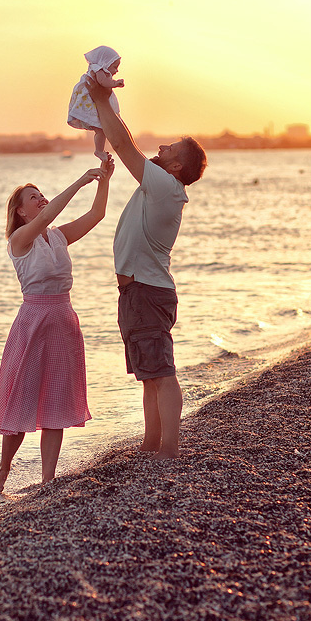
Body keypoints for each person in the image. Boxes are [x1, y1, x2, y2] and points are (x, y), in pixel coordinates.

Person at [84, 74, 207, 459]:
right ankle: (151, 445)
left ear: (174, 166)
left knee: (162, 373)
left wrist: (100, 97)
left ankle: (168, 447)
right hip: (139, 291)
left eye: (171, 147)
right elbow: (126, 139)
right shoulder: (162, 186)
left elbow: (123, 144)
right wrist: (105, 107)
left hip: (146, 291)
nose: (162, 145)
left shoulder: (166, 187)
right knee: (150, 376)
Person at [0, 157, 115, 494]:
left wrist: (104, 179)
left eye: (42, 193)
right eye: (34, 197)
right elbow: (47, 215)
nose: (42, 198)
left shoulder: (57, 237)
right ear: (21, 212)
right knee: (22, 398)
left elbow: (96, 216)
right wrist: (79, 181)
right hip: (33, 322)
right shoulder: (20, 240)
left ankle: (47, 480)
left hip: (63, 320)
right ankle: (3, 471)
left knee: (56, 403)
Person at [68, 45, 125, 162]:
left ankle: (100, 150)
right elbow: (103, 81)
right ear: (105, 62)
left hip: (93, 102)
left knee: (101, 129)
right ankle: (99, 151)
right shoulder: (98, 69)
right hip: (91, 103)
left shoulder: (99, 69)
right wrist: (115, 83)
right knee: (100, 129)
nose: (117, 70)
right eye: (115, 66)